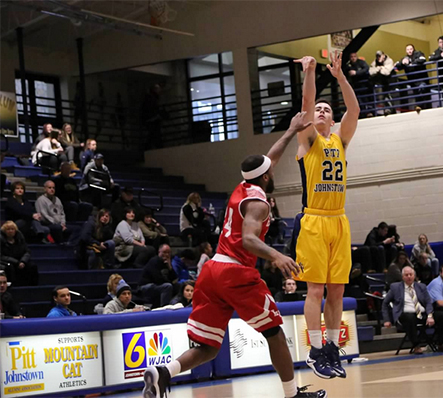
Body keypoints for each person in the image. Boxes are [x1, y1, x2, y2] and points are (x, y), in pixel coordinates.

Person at [142, 111, 326, 398]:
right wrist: (276, 256)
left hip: (213, 270)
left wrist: (290, 132)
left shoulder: (245, 185)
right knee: (274, 332)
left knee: (210, 346)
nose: (273, 171)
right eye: (272, 172)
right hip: (235, 272)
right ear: (265, 178)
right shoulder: (259, 204)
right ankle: (292, 395)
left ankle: (163, 372)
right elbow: (249, 239)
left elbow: (270, 158)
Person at [291, 51, 359, 380]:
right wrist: (310, 72)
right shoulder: (308, 141)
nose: (321, 111)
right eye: (319, 108)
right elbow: (305, 105)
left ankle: (332, 348)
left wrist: (341, 77)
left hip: (339, 220)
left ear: (333, 120)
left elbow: (355, 109)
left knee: (337, 292)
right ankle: (315, 350)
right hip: (314, 220)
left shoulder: (341, 141)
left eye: (326, 109)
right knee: (315, 290)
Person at [383, 265, 443, 354]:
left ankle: (441, 343)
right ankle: (416, 345)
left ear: (414, 276)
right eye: (406, 275)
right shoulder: (395, 287)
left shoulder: (421, 286)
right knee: (410, 318)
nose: (409, 277)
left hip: (422, 313)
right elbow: (385, 303)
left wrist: (430, 315)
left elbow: (428, 302)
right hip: (405, 314)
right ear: (402, 277)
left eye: (411, 274)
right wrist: (387, 320)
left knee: (442, 315)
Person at [35, 180, 76, 244]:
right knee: (57, 228)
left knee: (77, 228)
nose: (52, 189)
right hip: (48, 224)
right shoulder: (40, 200)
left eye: (53, 188)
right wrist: (58, 224)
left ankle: (70, 244)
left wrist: (63, 223)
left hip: (59, 224)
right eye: (49, 188)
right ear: (45, 189)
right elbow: (44, 216)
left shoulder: (57, 199)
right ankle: (60, 244)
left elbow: (62, 213)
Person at [0, 221, 38, 286]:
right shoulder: (1, 240)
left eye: (12, 229)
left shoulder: (20, 238)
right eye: (8, 229)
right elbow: (1, 256)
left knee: (32, 266)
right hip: (7, 261)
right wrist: (17, 262)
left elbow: (27, 251)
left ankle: (32, 286)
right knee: (9, 267)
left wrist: (23, 261)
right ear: (4, 231)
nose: (10, 231)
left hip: (20, 260)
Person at [396, 44, 431, 109]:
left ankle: (423, 107)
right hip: (413, 82)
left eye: (411, 49)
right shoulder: (405, 58)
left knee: (423, 91)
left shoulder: (418, 53)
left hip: (422, 80)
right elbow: (396, 68)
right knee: (416, 94)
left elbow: (423, 59)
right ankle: (419, 106)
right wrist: (402, 63)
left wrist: (411, 63)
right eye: (407, 49)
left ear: (413, 49)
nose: (409, 51)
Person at [368, 50, 395, 116]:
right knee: (378, 95)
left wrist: (378, 69)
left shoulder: (389, 60)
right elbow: (371, 72)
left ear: (383, 55)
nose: (378, 58)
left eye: (380, 56)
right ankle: (373, 111)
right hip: (380, 82)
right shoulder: (375, 61)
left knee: (388, 95)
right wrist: (380, 68)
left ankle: (390, 110)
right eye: (377, 56)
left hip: (389, 82)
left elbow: (387, 72)